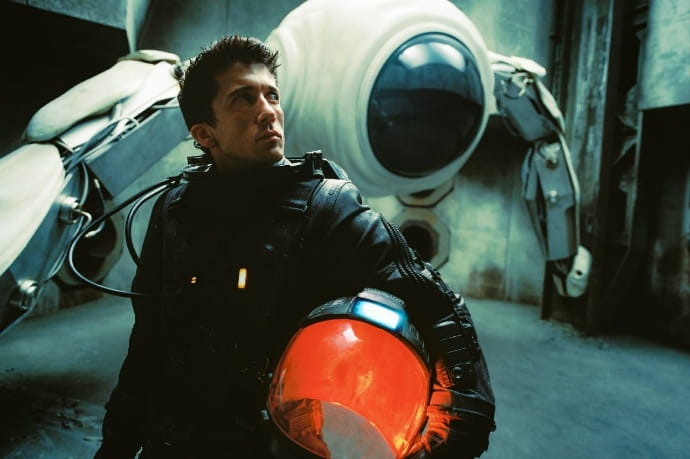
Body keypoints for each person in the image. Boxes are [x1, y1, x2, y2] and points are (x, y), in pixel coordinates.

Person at [95, 35, 495, 458]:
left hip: (281, 441)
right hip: (178, 440)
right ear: (205, 133)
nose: (268, 111)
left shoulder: (328, 207)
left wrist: (452, 434)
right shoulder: (175, 209)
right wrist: (117, 444)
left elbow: (438, 307)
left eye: (272, 95)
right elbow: (150, 341)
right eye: (243, 99)